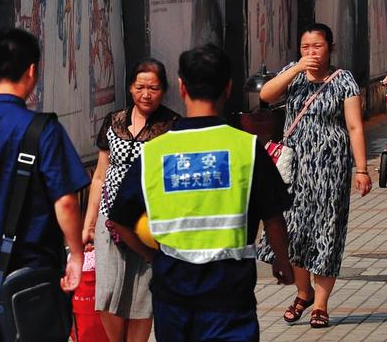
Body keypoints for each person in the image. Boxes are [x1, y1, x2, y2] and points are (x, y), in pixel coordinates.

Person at [107, 44, 294, 342]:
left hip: (173, 296)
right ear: (228, 87)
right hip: (230, 296)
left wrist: (153, 257)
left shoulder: (154, 153)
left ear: (181, 87)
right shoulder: (246, 148)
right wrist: (282, 261)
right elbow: (274, 218)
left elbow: (118, 220)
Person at [0, 28, 90, 341]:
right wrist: (76, 256)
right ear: (32, 70)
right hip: (29, 277)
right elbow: (65, 201)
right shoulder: (43, 130)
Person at [256, 23, 372, 328]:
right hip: (295, 172)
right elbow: (266, 95)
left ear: (330, 47)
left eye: (317, 47)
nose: (311, 53)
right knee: (293, 234)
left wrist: (361, 168)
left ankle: (320, 304)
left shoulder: (343, 80)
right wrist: (294, 70)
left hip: (331, 170)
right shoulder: (293, 75)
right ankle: (303, 292)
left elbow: (355, 126)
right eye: (305, 47)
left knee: (327, 233)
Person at [82, 58, 180, 342]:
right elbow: (100, 175)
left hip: (148, 223)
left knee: (142, 294)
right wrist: (89, 223)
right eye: (140, 87)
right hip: (110, 218)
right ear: (131, 88)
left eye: (153, 88)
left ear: (164, 91)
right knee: (108, 290)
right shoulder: (113, 122)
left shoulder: (172, 125)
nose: (146, 94)